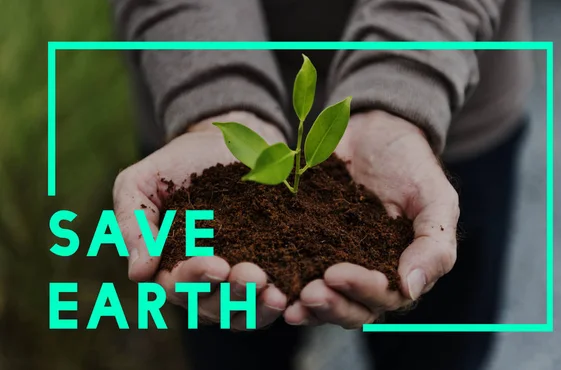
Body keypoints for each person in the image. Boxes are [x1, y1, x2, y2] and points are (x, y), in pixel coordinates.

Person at [110, 0, 532, 369]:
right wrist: (211, 91)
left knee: (438, 350)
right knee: (227, 336)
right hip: (189, 103)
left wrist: (403, 85)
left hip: (444, 100)